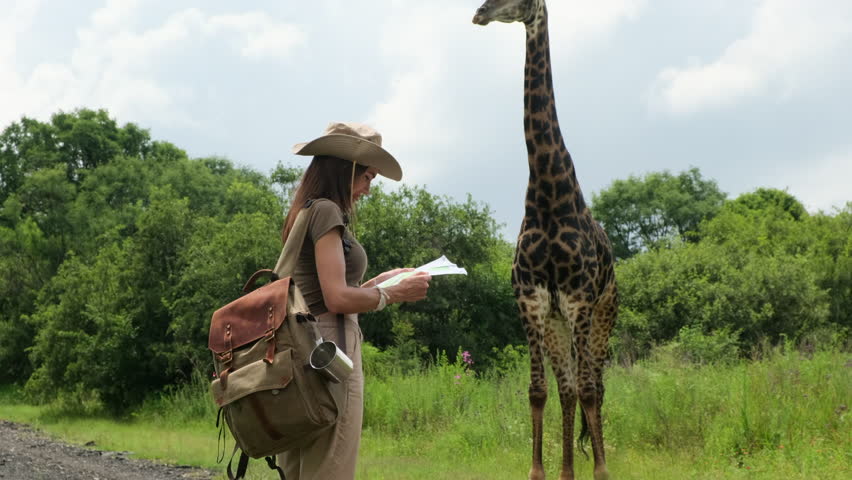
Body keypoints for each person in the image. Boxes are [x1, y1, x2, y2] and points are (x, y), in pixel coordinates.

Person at [277, 121, 431, 479]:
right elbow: (335, 297)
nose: (368, 189)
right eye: (369, 178)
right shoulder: (328, 212)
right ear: (347, 171)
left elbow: (322, 289)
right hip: (330, 350)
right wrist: (392, 295)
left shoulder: (305, 210)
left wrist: (382, 281)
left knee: (299, 466)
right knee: (330, 465)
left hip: (299, 349)